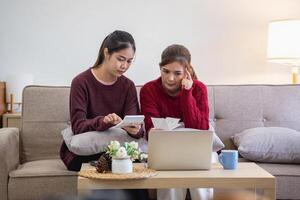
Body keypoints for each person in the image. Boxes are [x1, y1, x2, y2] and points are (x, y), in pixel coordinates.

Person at [60, 30, 147, 199]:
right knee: (113, 167)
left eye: (129, 61)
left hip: (120, 150)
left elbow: (135, 126)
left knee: (135, 176)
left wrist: (135, 129)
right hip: (86, 152)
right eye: (120, 59)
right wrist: (104, 121)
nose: (125, 66)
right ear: (106, 52)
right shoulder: (81, 82)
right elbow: (78, 126)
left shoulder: (128, 86)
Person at [140, 44, 212, 200]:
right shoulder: (149, 90)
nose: (170, 78)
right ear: (160, 68)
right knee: (170, 180)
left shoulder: (199, 89)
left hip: (197, 147)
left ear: (188, 71)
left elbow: (200, 128)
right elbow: (152, 130)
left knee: (200, 181)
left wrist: (187, 93)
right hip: (166, 148)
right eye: (165, 71)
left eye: (177, 73)